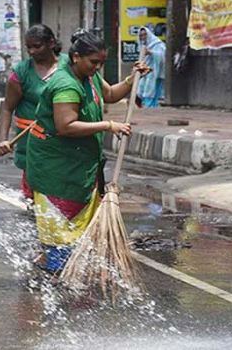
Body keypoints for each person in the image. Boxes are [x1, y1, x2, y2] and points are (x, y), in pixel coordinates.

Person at [26, 30, 151, 272]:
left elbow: (111, 95)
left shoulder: (89, 76)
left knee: (77, 235)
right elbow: (66, 125)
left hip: (79, 166)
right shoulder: (66, 85)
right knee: (61, 236)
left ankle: (66, 273)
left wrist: (131, 79)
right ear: (76, 58)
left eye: (101, 63)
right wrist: (108, 125)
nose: (97, 67)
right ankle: (55, 279)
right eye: (94, 62)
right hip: (57, 170)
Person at [0, 24, 69, 201]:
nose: (32, 51)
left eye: (37, 46)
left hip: (64, 145)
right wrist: (3, 139)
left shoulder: (70, 65)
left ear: (51, 43)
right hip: (32, 145)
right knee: (36, 200)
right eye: (28, 47)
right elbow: (7, 108)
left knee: (63, 198)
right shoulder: (21, 73)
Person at [136, 27, 166, 108]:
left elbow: (162, 55)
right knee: (143, 89)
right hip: (145, 71)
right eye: (141, 35)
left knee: (152, 91)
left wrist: (151, 53)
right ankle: (146, 105)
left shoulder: (157, 44)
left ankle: (151, 106)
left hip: (154, 71)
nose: (143, 37)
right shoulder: (142, 45)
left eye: (145, 35)